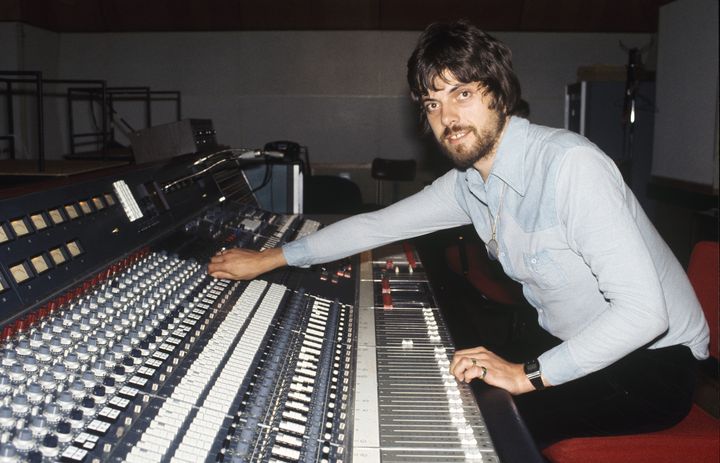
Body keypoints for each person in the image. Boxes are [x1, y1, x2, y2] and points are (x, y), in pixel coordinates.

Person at [208, 21, 710, 449]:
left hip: (653, 366)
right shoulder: (470, 183)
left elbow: (645, 314)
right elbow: (377, 224)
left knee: (480, 433)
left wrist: (525, 375)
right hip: (574, 339)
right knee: (443, 383)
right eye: (431, 104)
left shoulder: (570, 166)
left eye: (463, 94)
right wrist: (271, 259)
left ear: (500, 93)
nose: (447, 118)